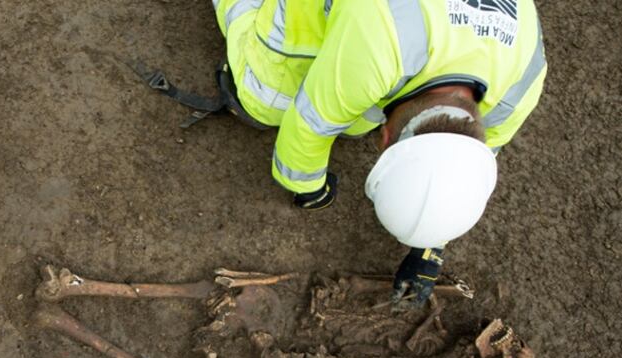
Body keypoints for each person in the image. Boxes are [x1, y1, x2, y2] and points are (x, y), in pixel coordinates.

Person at [211, 0, 546, 306]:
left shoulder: (521, 84)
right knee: (265, 100)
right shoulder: (380, 44)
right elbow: (310, 122)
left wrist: (432, 240)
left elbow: (461, 170)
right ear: (384, 139)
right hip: (376, 25)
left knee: (354, 112)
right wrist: (309, 187)